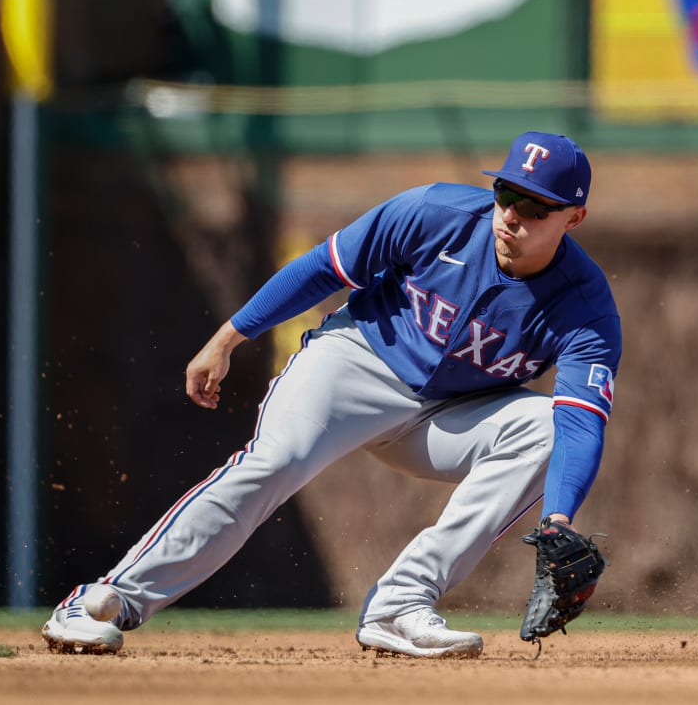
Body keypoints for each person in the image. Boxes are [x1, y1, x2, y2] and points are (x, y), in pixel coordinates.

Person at [41, 130, 623, 659]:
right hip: (356, 362)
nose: (511, 215)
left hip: (448, 415)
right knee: (275, 463)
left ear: (574, 218)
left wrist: (558, 518)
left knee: (543, 426)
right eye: (504, 192)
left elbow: (579, 421)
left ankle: (400, 604)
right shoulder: (434, 212)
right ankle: (106, 599)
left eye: (534, 205)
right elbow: (325, 268)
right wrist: (228, 338)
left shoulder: (586, 307)